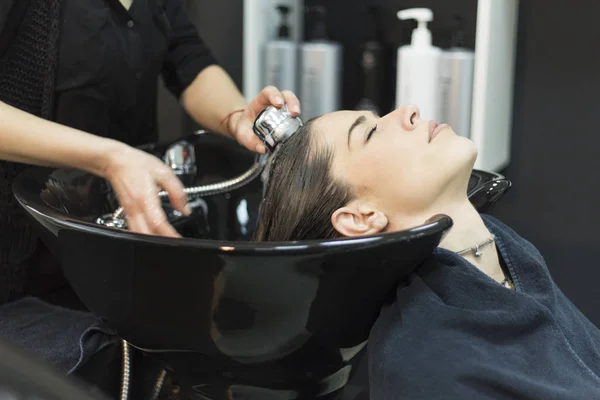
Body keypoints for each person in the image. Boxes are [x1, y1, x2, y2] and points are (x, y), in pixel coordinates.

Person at [0, 0, 300, 375]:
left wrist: (238, 118)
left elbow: (190, 63)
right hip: (17, 253)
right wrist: (108, 157)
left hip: (96, 249)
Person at [255, 105, 600, 399]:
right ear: (361, 218)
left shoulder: (507, 250)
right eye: (371, 132)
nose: (408, 111)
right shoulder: (432, 366)